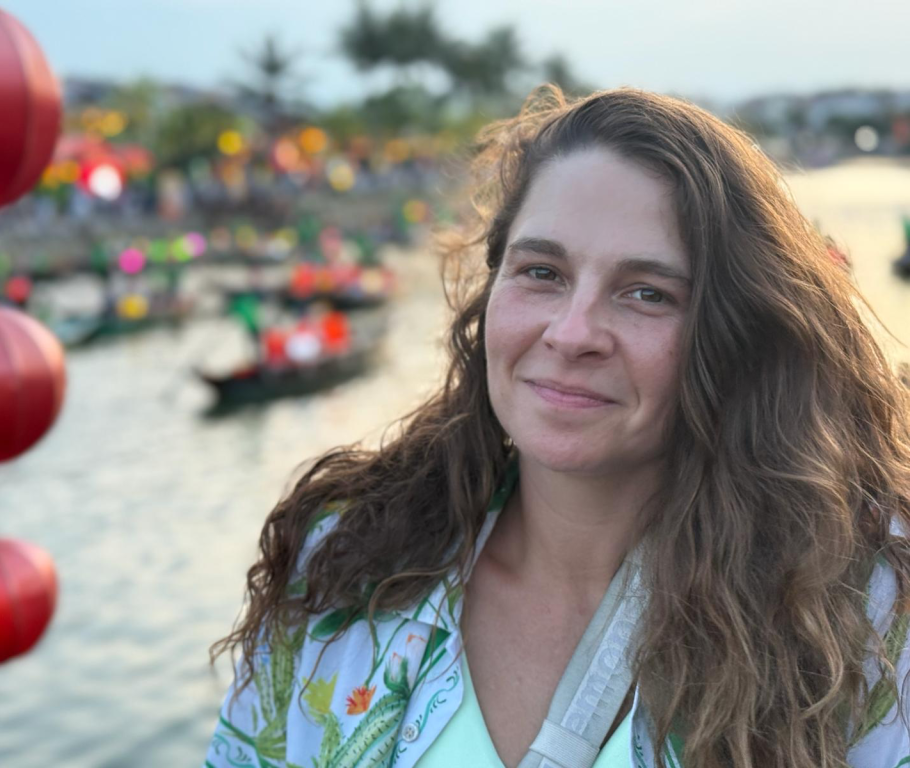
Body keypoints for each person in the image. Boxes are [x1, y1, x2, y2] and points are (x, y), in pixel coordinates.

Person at [205, 86, 910, 768]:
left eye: (646, 293)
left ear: (734, 335)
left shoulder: (864, 616)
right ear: (491, 296)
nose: (573, 334)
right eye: (542, 272)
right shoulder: (342, 565)